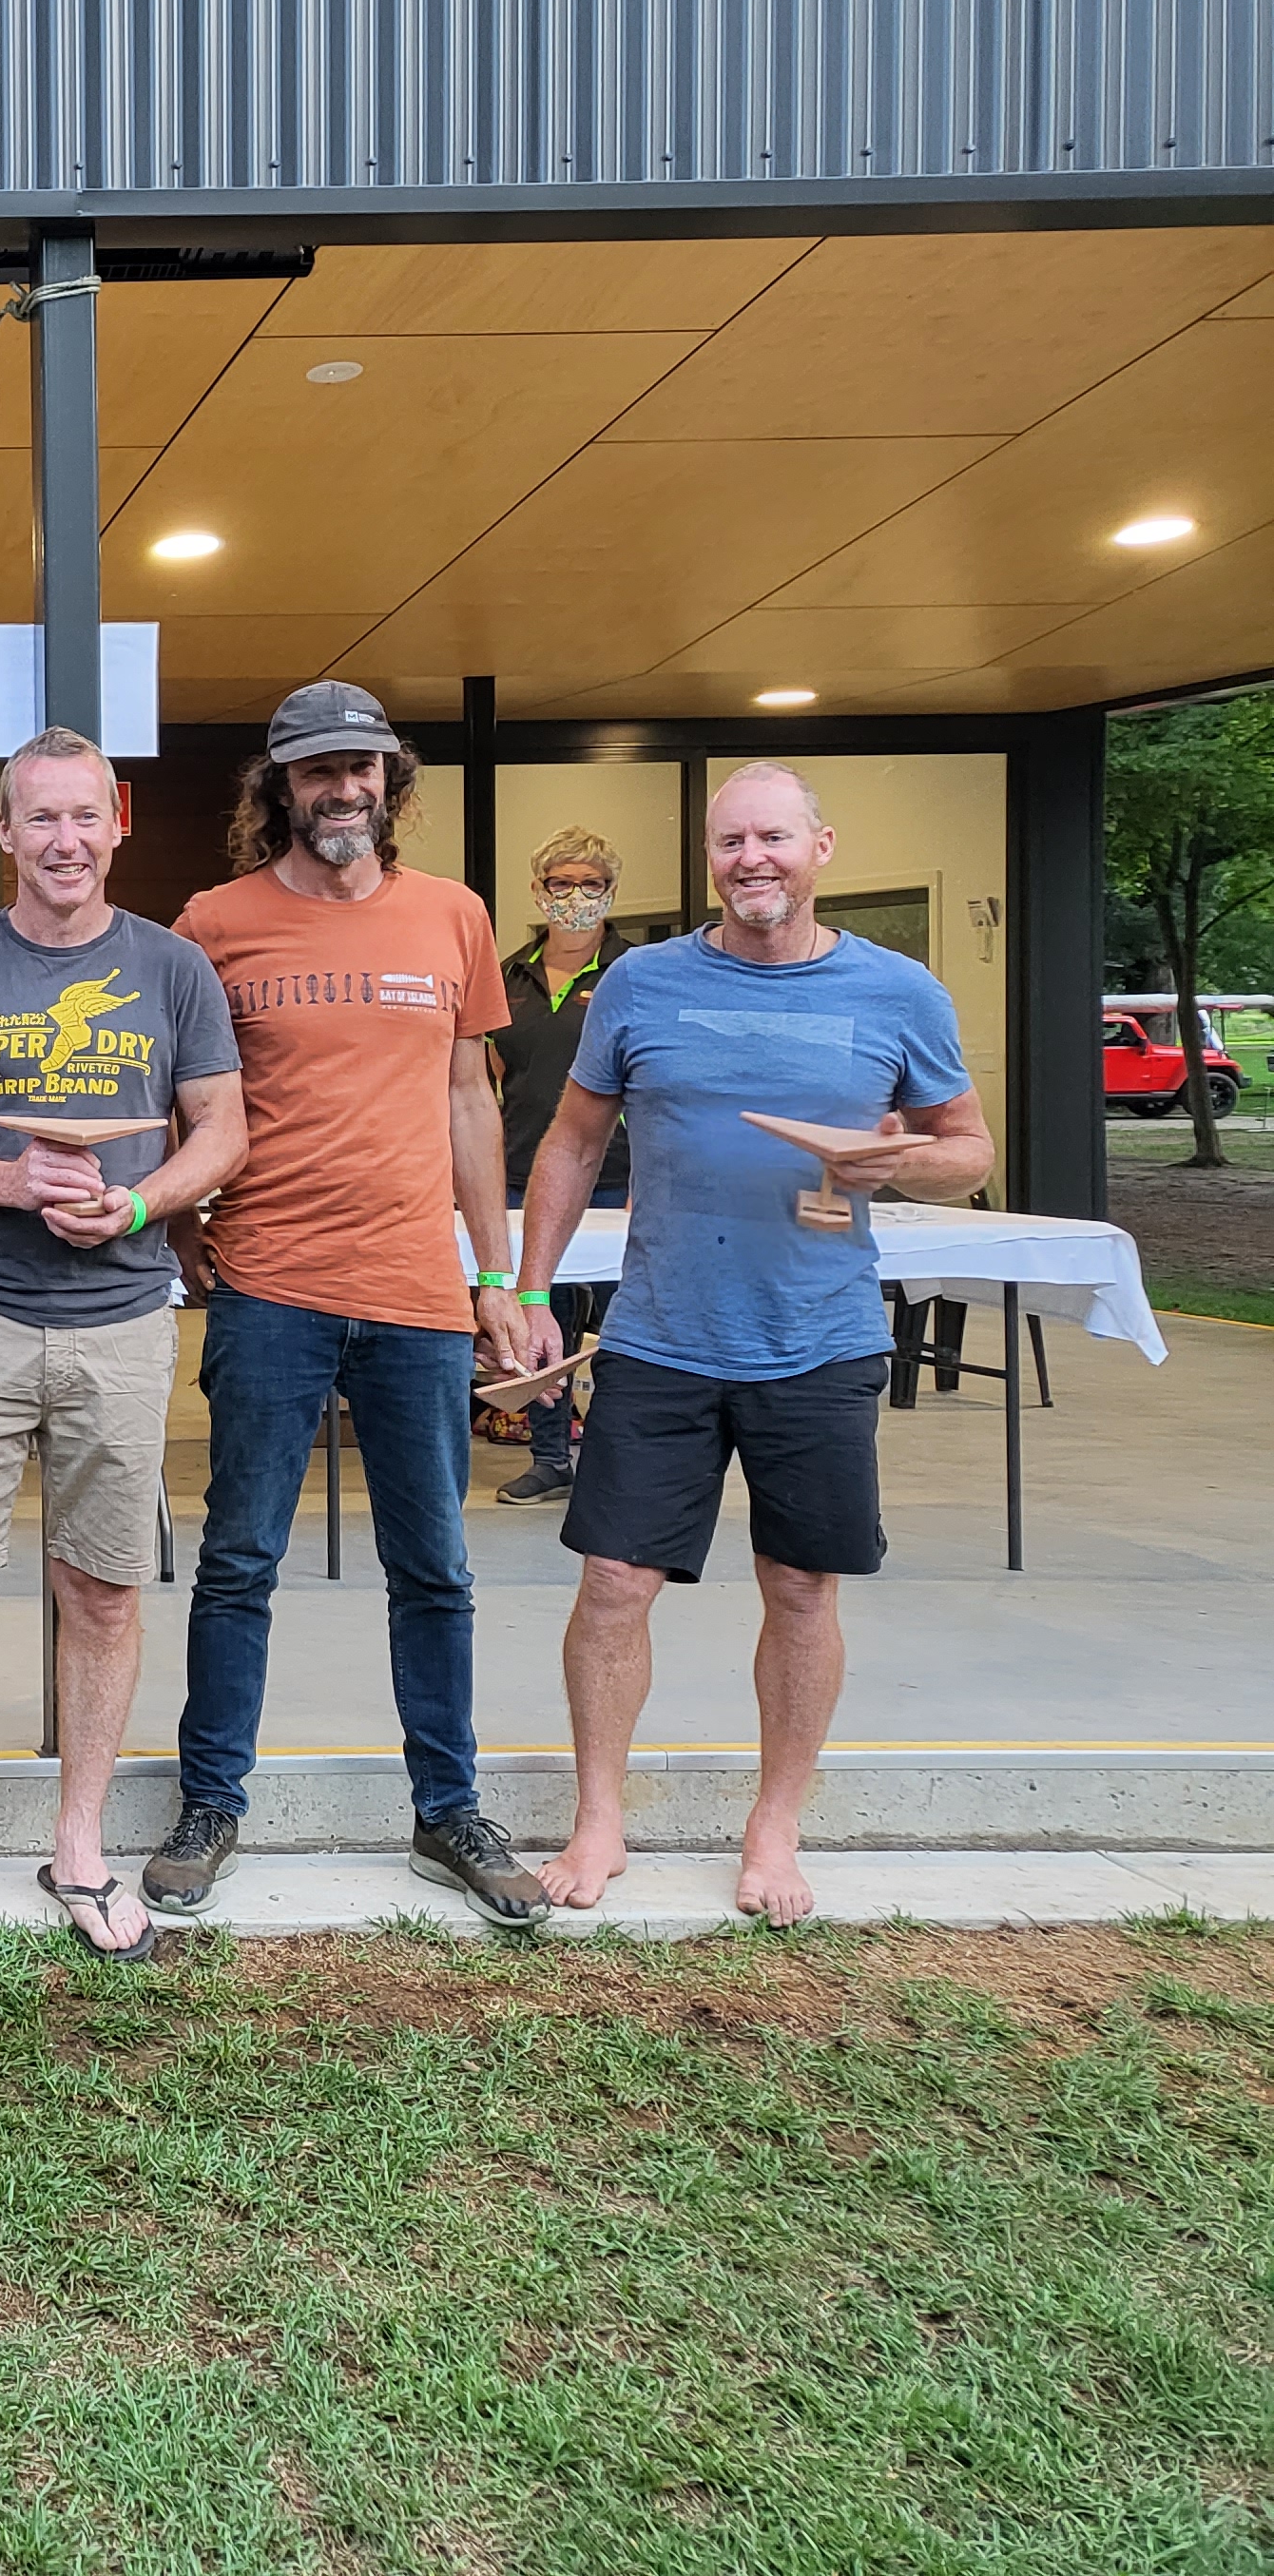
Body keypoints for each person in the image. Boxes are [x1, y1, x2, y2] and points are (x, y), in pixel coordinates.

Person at [518, 763, 989, 1927]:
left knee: (800, 1586)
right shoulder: (642, 982)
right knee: (614, 1582)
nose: (751, 860)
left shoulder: (899, 992)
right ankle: (598, 1818)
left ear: (819, 847)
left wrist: (896, 1164)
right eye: (730, 842)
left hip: (818, 1339)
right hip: (661, 1335)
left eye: (772, 838)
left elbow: (965, 1148)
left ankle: (774, 1829)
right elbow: (572, 1143)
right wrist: (528, 1287)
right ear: (710, 859)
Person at [156, 681, 550, 1927]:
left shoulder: (454, 916)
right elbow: (178, 1095)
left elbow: (470, 1102)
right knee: (239, 1560)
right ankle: (210, 1804)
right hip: (268, 1285)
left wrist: (498, 1277)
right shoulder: (212, 924)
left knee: (433, 1567)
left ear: (390, 782)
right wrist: (178, 1222)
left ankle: (448, 1812)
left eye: (362, 769)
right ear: (280, 787)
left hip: (416, 1294)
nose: (343, 790)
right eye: (319, 770)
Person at [0, 731, 245, 1960]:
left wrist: (135, 1208)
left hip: (122, 1318)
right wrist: (8, 1183)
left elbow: (222, 1133)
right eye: (40, 819)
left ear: (115, 823)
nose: (64, 841)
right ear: (5, 833)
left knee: (104, 1592)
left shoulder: (173, 970)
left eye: (84, 817)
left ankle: (79, 1845)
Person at [487, 828, 631, 1504]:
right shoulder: (506, 976)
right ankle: (551, 1457)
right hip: (524, 1177)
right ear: (537, 890)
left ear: (610, 892)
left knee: (624, 1329)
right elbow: (490, 1081)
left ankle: (618, 1463)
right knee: (540, 1322)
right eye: (561, 884)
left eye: (590, 884)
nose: (575, 896)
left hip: (616, 1178)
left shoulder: (634, 972)